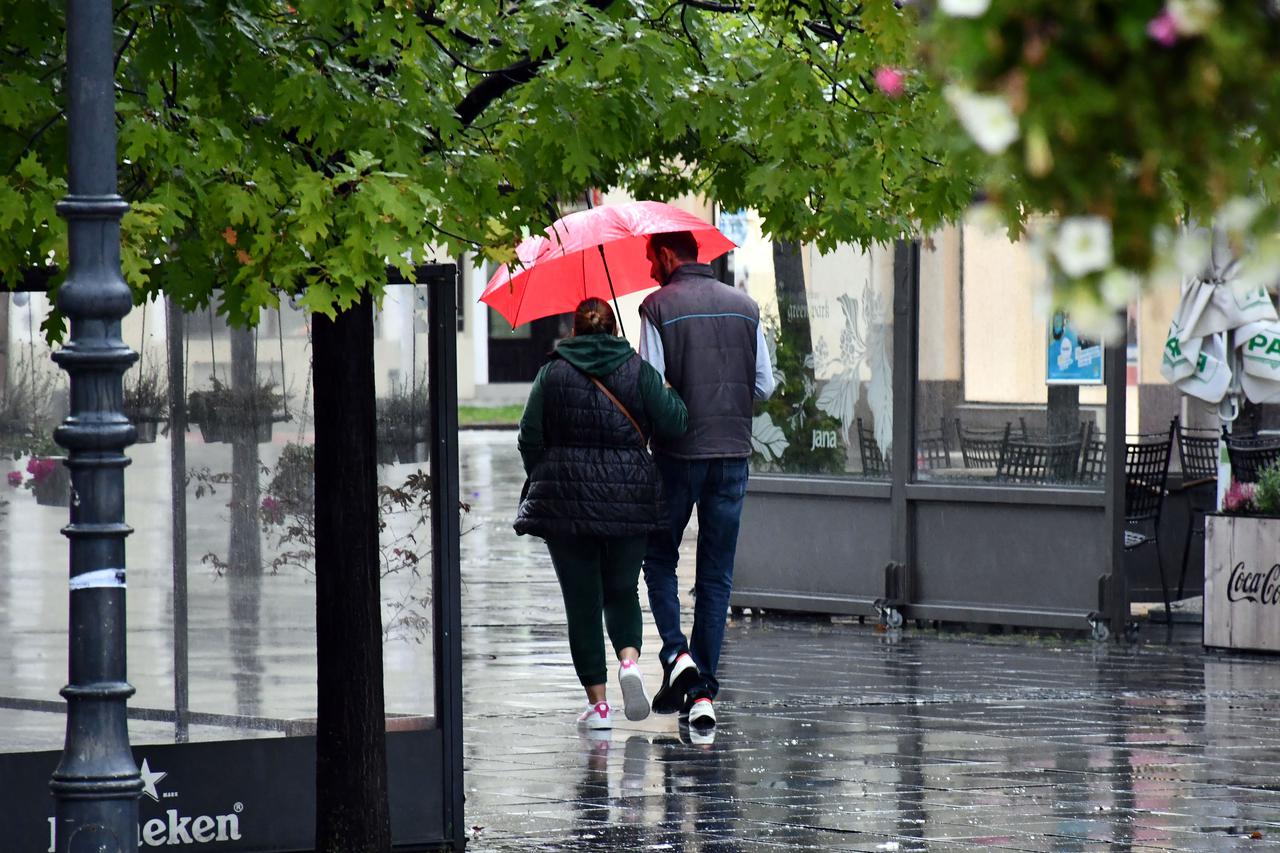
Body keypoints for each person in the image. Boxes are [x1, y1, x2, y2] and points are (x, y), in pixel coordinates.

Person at [515, 297, 689, 730]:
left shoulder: (552, 373)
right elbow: (675, 424)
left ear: (573, 330)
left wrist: (547, 473)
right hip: (630, 499)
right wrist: (667, 391)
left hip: (566, 504)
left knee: (582, 602)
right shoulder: (638, 371)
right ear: (613, 330)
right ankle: (629, 661)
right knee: (622, 589)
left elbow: (529, 436)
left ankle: (599, 707)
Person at [638, 230, 775, 732]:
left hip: (677, 455)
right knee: (716, 576)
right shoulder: (746, 308)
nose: (650, 270)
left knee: (658, 558)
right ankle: (701, 694)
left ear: (667, 255)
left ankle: (678, 656)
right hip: (733, 454)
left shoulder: (657, 307)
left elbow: (650, 389)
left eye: (651, 259)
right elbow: (764, 384)